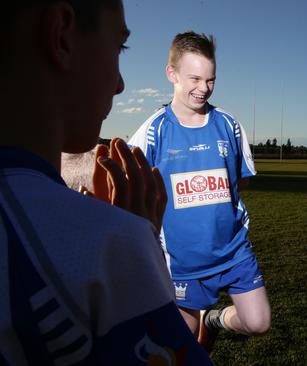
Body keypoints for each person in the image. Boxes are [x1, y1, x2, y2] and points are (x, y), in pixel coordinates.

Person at [1, 1, 214, 364]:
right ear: (62, 36)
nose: (120, 84)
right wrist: (140, 244)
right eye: (119, 47)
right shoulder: (105, 246)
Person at [129, 31, 271, 348]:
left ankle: (213, 320)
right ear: (172, 74)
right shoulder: (154, 129)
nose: (203, 88)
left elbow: (240, 181)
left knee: (258, 322)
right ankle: (197, 322)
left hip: (233, 252)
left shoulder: (229, 124)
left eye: (211, 80)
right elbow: (130, 187)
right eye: (195, 78)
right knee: (178, 345)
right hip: (182, 262)